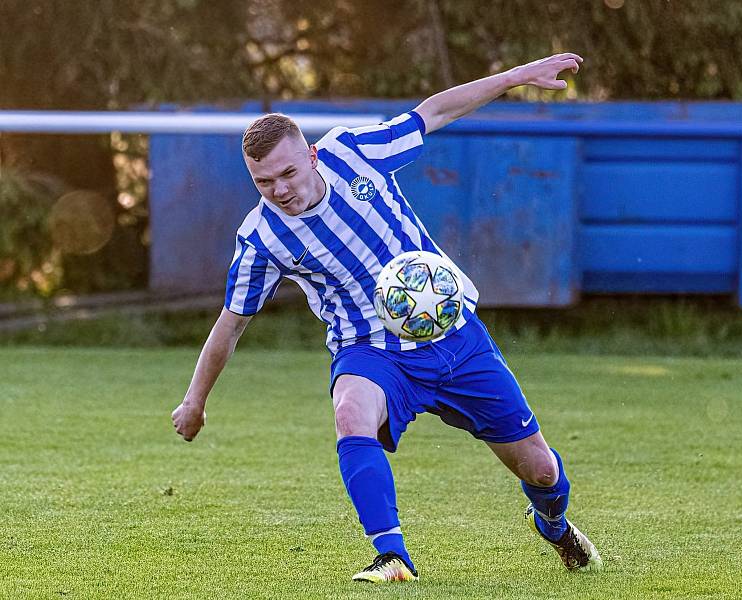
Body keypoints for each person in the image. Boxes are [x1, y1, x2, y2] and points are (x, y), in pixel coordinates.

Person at [172, 52, 602, 583]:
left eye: (287, 172)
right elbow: (232, 323)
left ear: (310, 155)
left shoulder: (353, 153)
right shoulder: (261, 238)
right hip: (370, 350)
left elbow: (435, 113)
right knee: (351, 412)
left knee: (540, 469)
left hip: (454, 336)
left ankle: (554, 526)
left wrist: (515, 77)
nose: (280, 189)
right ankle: (392, 555)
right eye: (264, 182)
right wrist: (195, 400)